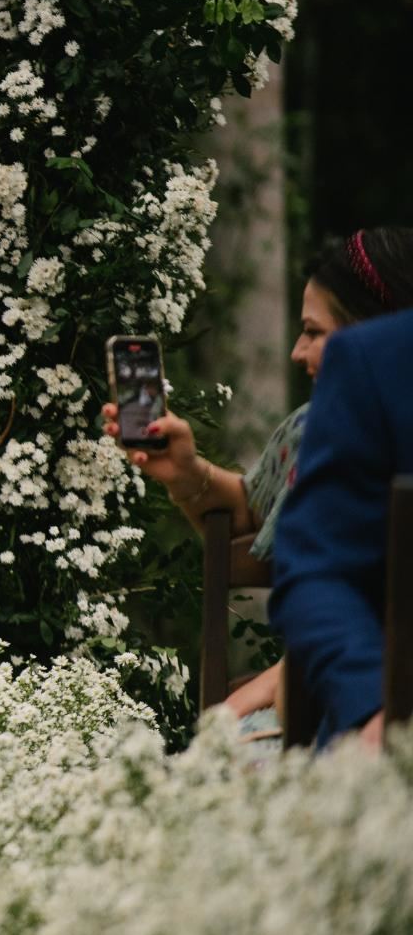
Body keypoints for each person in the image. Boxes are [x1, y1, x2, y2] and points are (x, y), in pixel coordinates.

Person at [99, 228, 413, 731]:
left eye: (313, 332)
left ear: (372, 336)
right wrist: (187, 472)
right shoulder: (308, 429)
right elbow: (251, 511)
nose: (295, 351)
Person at [269, 305, 413, 748]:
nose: (297, 352)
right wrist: (374, 707)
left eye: (313, 331)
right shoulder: (379, 360)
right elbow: (315, 564)